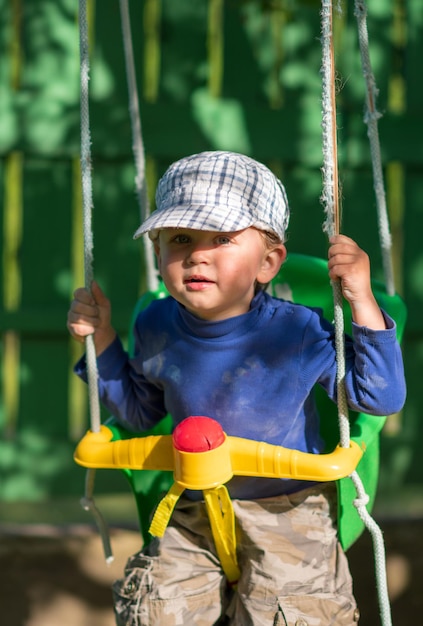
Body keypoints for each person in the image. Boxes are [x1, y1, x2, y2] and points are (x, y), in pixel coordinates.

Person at [67, 151, 406, 626]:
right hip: (191, 502)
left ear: (268, 262)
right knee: (156, 611)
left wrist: (363, 301)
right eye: (181, 238)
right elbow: (140, 413)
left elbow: (380, 398)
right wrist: (101, 337)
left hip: (290, 507)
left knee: (297, 614)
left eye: (222, 238)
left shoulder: (300, 331)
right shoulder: (155, 323)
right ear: (159, 251)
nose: (197, 254)